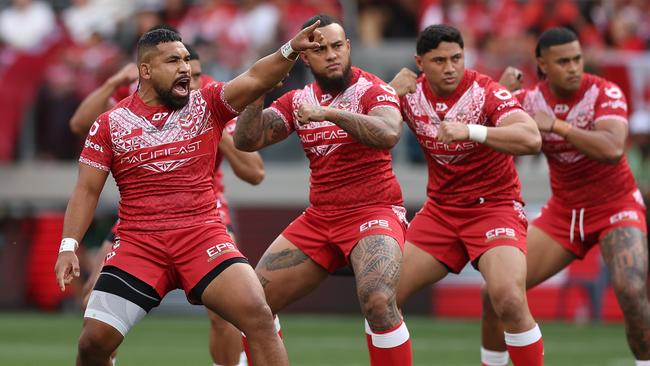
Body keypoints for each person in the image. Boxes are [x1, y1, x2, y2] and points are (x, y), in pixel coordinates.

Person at [54, 25, 324, 366]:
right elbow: (86, 189)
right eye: (173, 60)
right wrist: (68, 246)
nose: (184, 67)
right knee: (92, 343)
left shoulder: (207, 104)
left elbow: (255, 77)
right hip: (140, 243)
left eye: (186, 59)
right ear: (146, 70)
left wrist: (289, 50)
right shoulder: (111, 123)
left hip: (201, 235)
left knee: (258, 314)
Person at [234, 14, 412, 366]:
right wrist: (258, 90)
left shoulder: (374, 89)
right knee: (251, 305)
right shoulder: (298, 98)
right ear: (306, 58)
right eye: (320, 49)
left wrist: (329, 114)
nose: (331, 55)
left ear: (348, 48)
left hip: (374, 211)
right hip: (321, 217)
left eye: (336, 46)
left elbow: (389, 133)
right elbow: (246, 140)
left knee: (377, 300)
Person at [70, 42, 262, 366]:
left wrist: (212, 126)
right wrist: (113, 82)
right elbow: (80, 125)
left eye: (197, 73)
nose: (191, 78)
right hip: (141, 215)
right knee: (94, 301)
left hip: (204, 213)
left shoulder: (211, 101)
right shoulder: (136, 103)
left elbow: (254, 172)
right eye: (179, 65)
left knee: (228, 310)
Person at [481, 27, 650, 366]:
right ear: (542, 65)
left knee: (631, 290)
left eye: (577, 59)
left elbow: (613, 149)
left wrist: (557, 125)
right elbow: (479, 136)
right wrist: (496, 93)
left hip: (615, 205)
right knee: (496, 291)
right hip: (564, 212)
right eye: (563, 62)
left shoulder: (605, 92)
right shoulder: (528, 100)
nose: (573, 67)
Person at [388, 24, 543, 366]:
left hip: (495, 208)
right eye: (439, 60)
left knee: (508, 298)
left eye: (456, 58)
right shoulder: (409, 93)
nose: (449, 67)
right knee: (381, 298)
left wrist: (472, 131)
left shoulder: (486, 90)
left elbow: (532, 139)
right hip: (441, 212)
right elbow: (363, 131)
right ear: (420, 63)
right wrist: (386, 93)